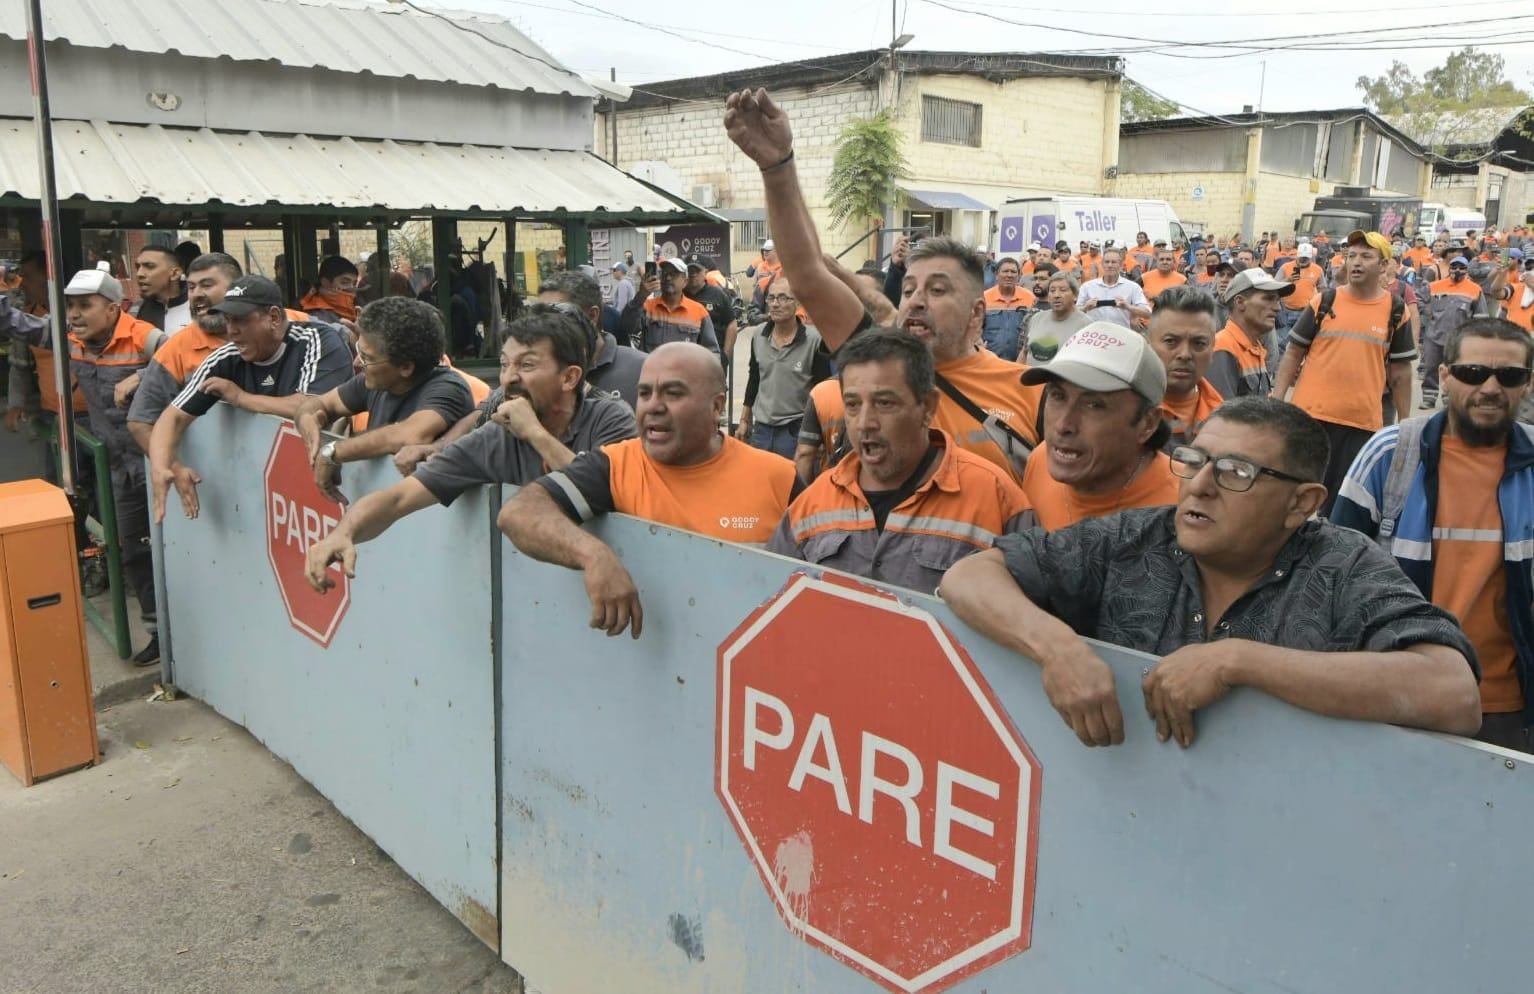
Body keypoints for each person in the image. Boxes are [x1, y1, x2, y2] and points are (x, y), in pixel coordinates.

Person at [940, 395, 1481, 749]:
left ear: (1301, 504)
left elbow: (1452, 693)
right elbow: (969, 577)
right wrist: (1055, 648)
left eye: (1236, 472)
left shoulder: (1345, 565)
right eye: (1194, 462)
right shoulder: (1135, 537)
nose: (1199, 486)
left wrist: (1239, 662)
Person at [303, 309, 637, 592]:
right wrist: (343, 532)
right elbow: (397, 499)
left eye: (527, 365)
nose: (508, 379)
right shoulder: (496, 437)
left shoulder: (611, 420)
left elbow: (606, 495)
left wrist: (534, 433)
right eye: (505, 365)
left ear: (569, 378)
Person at [497, 342, 800, 637]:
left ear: (716, 406)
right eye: (644, 393)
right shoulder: (615, 465)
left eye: (673, 393)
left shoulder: (779, 477)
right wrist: (593, 555)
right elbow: (518, 513)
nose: (654, 406)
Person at [1332, 318, 1532, 752]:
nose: (1491, 388)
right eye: (1473, 373)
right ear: (1444, 375)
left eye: (1510, 376)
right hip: (1398, 693)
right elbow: (1330, 574)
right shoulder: (1391, 455)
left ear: (1528, 384)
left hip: (1508, 708)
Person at [768, 329, 1028, 593]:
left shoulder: (996, 498)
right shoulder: (810, 506)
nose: (865, 423)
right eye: (853, 405)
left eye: (884, 403)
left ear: (927, 407)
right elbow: (769, 601)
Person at [0, 265, 167, 664]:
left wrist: (143, 375)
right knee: (133, 551)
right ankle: (159, 633)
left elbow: (191, 363)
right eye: (70, 306)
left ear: (113, 309)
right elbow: (20, 326)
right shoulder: (71, 340)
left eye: (85, 306)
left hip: (160, 461)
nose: (74, 314)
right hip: (120, 467)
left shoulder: (147, 338)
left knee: (174, 551)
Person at [148, 276, 353, 522]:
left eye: (240, 320)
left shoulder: (317, 340)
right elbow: (172, 417)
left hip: (341, 483)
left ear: (274, 317)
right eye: (227, 320)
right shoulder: (226, 356)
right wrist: (162, 466)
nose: (231, 331)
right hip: (273, 498)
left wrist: (241, 398)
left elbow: (310, 407)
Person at [1271, 230, 1416, 514]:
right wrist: (1277, 399)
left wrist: (1405, 424)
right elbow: (1293, 352)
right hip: (1309, 417)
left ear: (1384, 265)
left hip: (1360, 424)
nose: (1356, 263)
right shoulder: (1325, 302)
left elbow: (1401, 374)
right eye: (1351, 256)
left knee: (1339, 506)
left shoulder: (1395, 311)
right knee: (1293, 495)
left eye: (1366, 256)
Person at [293, 298, 475, 500]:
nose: (356, 363)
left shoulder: (448, 389)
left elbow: (408, 435)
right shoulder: (374, 380)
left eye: (367, 358)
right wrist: (308, 422)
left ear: (405, 367)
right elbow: (316, 405)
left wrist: (333, 452)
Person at [1018, 322, 1179, 529]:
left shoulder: (1188, 503)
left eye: (1094, 405)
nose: (1063, 425)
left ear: (1147, 424)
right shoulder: (1040, 461)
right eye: (1058, 396)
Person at [736, 277, 831, 459]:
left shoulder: (814, 341)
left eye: (782, 298)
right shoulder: (759, 335)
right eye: (771, 298)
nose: (775, 304)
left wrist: (819, 435)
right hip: (761, 430)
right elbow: (754, 379)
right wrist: (744, 420)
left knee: (793, 485)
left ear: (797, 303)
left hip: (796, 431)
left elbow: (822, 391)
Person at [1148, 287, 1223, 450]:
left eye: (1198, 343)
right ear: (1148, 345)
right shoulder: (1123, 415)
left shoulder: (1226, 421)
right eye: (1171, 341)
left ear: (1212, 350)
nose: (1185, 354)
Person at [1420, 256, 1491, 409]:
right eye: (1454, 267)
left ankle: (1449, 398)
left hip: (1459, 339)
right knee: (1430, 367)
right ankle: (1429, 397)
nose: (1457, 270)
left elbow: (1481, 315)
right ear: (1449, 268)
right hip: (1434, 335)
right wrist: (1426, 310)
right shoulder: (1435, 286)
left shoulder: (1475, 289)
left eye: (1461, 267)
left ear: (1466, 270)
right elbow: (1418, 297)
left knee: (1454, 369)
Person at [1208, 268, 1290, 399]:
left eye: (1277, 300)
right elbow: (1222, 416)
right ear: (1240, 302)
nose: (1277, 308)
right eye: (1268, 299)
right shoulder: (1223, 348)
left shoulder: (1255, 348)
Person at [620, 257, 720, 357]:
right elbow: (626, 327)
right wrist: (641, 295)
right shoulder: (647, 307)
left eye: (674, 274)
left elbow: (712, 352)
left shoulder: (699, 312)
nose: (668, 278)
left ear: (685, 281)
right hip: (653, 371)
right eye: (665, 274)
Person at [1076, 247, 1151, 330]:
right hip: (1094, 338)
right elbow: (1074, 313)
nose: (1110, 265)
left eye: (1114, 262)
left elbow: (1147, 313)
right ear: (1102, 264)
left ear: (1121, 265)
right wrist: (1085, 307)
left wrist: (1128, 307)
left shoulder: (1133, 287)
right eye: (1107, 262)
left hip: (1121, 338)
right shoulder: (1087, 287)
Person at [1023, 272, 1090, 363]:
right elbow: (1024, 352)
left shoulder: (1087, 325)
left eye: (1063, 290)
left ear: (1075, 296)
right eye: (1052, 290)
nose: (1056, 295)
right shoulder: (1036, 318)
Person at [684, 254, 738, 362]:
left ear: (705, 272)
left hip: (713, 356)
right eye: (690, 271)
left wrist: (725, 355)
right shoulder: (679, 294)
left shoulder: (718, 294)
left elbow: (732, 324)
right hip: (686, 357)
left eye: (697, 271)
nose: (693, 274)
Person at [979, 257, 1035, 361]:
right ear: (996, 275)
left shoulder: (1030, 298)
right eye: (1005, 271)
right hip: (990, 360)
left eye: (1013, 272)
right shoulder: (984, 298)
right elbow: (976, 328)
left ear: (1018, 276)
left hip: (1020, 360)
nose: (1009, 275)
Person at [794, 377, 846, 483]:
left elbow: (805, 453)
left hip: (833, 483)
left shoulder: (822, 392)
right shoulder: (885, 387)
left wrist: (804, 496)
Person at [132, 245, 190, 332]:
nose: (139, 274)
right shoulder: (134, 312)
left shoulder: (199, 309)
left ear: (175, 273)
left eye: (150, 266)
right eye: (138, 267)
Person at [300, 256, 360, 325]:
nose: (351, 288)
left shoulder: (357, 309)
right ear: (325, 282)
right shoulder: (316, 316)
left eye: (354, 283)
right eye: (344, 282)